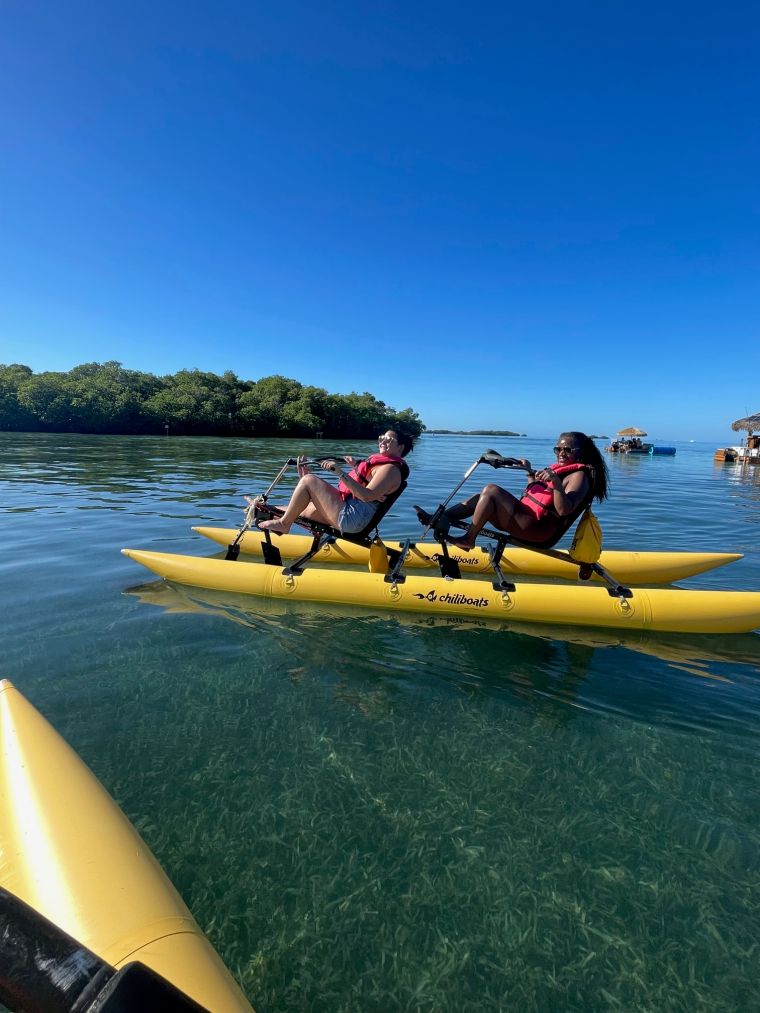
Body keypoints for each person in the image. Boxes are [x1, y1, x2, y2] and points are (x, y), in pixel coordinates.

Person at [417, 431, 609, 549]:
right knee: (480, 497)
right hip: (527, 521)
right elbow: (535, 496)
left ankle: (469, 539)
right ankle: (438, 519)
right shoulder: (561, 471)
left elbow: (564, 510)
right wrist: (529, 472)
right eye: (558, 449)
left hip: (539, 531)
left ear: (581, 453)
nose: (561, 453)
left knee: (491, 490)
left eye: (567, 450)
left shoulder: (579, 476)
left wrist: (556, 483)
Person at [253, 429, 414, 535]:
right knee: (303, 509)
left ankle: (283, 524)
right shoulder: (382, 466)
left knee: (310, 480)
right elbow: (365, 490)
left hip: (353, 518)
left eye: (388, 439)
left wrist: (339, 472)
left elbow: (366, 496)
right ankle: (265, 509)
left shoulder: (390, 469)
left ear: (400, 448)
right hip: (351, 512)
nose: (382, 441)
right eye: (381, 438)